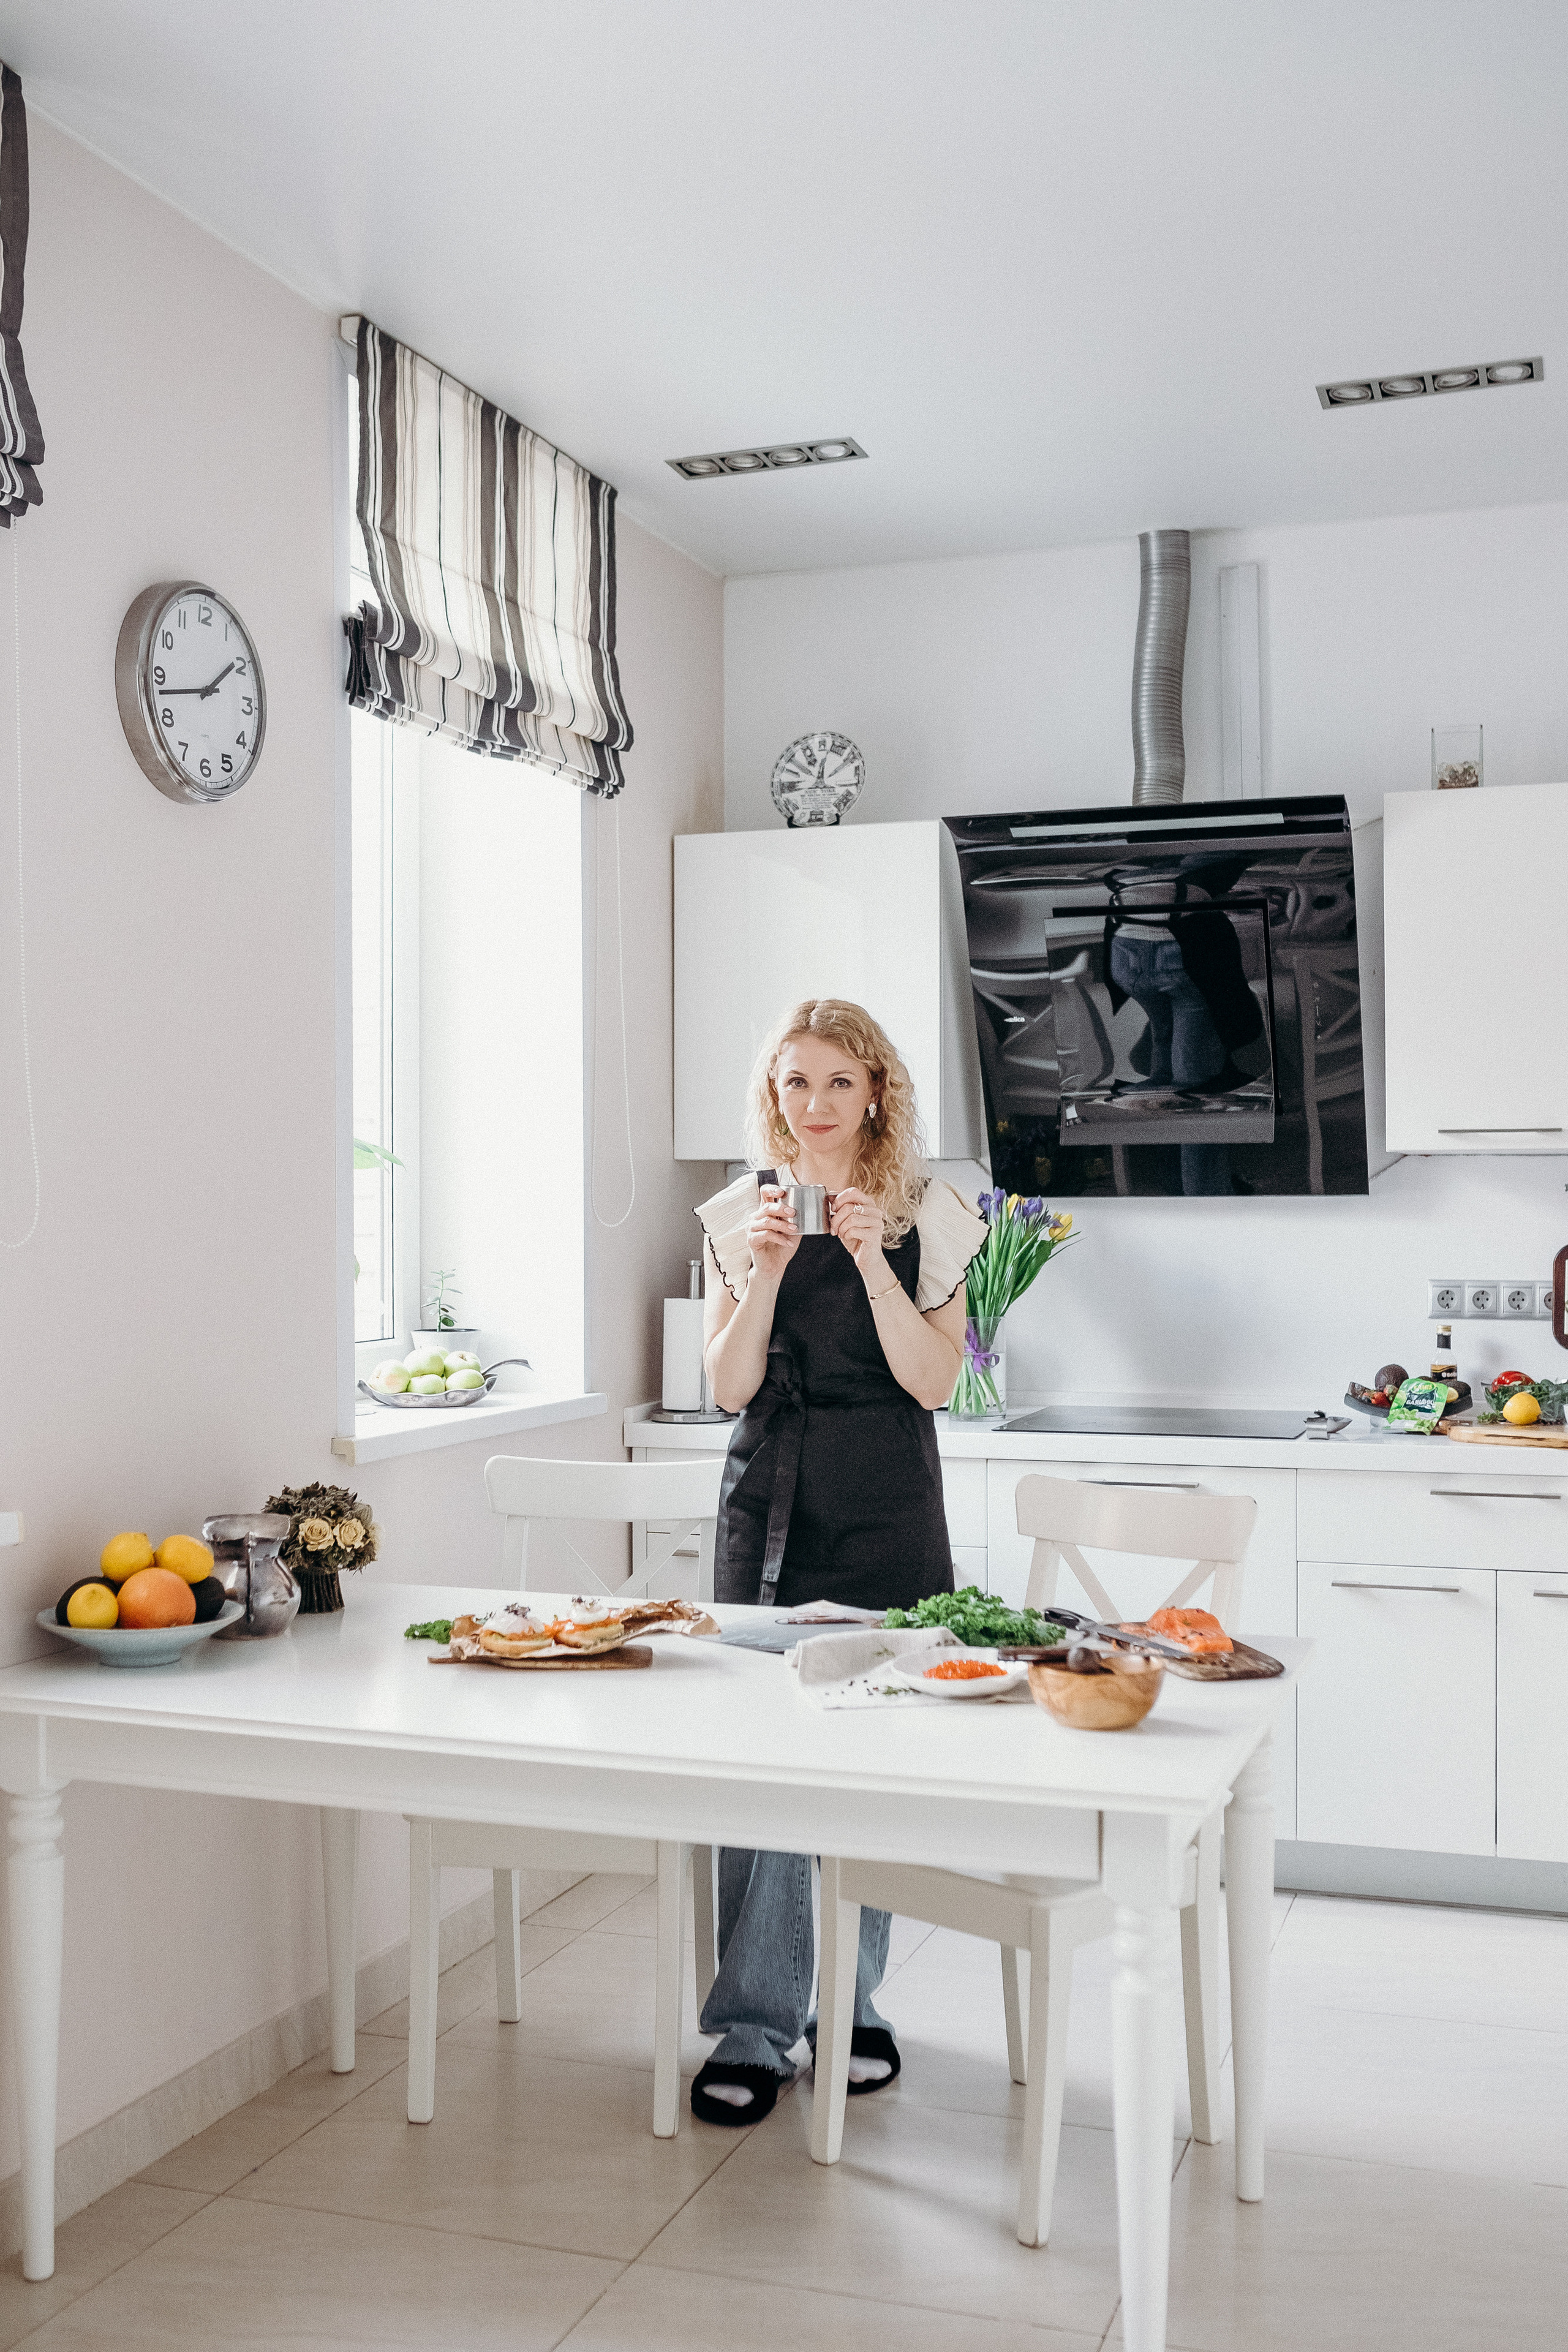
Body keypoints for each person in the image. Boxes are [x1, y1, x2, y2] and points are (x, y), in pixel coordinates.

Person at [687, 998, 986, 2126]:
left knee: (867, 1762)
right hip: (768, 1500)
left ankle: (851, 2005)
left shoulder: (933, 1215)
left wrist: (870, 1262)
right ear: (775, 1094)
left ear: (876, 1094)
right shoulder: (733, 1216)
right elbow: (725, 1387)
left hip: (887, 1512)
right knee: (759, 1768)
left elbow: (935, 1382)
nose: (813, 1108)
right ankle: (756, 2026)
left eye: (838, 1084)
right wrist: (762, 1272)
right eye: (794, 1083)